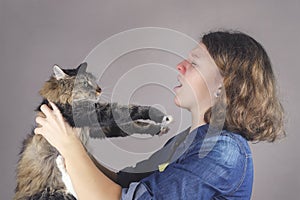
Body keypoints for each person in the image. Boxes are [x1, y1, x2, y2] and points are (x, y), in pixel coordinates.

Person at [35, 31, 285, 200]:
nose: (180, 66)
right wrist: (71, 141)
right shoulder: (187, 142)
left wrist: (69, 146)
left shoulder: (223, 152)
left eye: (195, 63)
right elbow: (124, 183)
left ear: (225, 83)